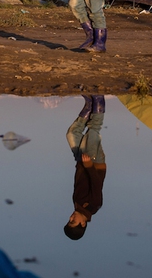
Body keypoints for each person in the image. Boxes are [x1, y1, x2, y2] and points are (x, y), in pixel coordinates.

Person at [64, 95, 107, 240]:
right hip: (93, 163)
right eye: (73, 221)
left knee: (72, 134)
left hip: (81, 162)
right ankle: (98, 97)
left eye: (68, 220)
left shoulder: (77, 205)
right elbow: (96, 182)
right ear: (82, 223)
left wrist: (80, 163)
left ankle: (89, 103)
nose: (70, 217)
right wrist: (88, 164)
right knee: (93, 129)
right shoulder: (93, 206)